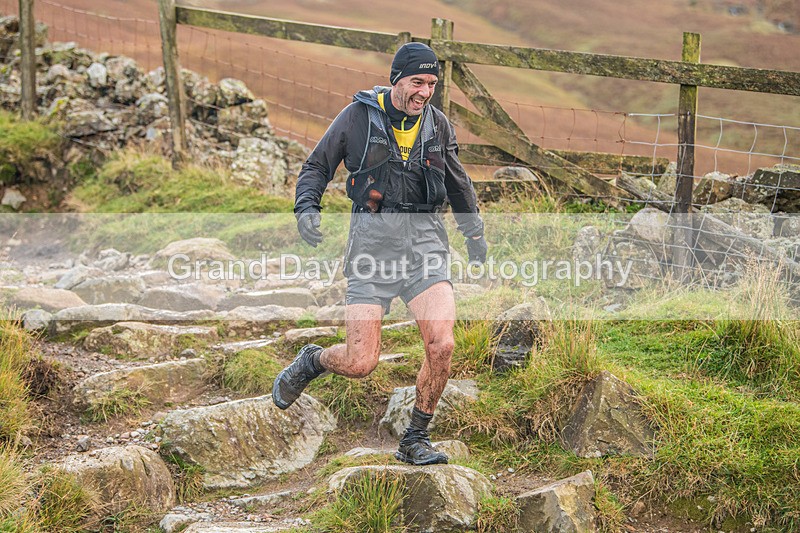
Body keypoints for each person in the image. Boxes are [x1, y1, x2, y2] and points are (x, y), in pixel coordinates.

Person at [272, 42, 487, 466]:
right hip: (371, 248)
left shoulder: (438, 126)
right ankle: (312, 359)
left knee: (441, 344)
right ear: (396, 80)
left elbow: (459, 183)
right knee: (360, 362)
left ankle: (415, 438)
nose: (425, 92)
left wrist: (473, 233)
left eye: (432, 84)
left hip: (424, 244)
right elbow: (317, 165)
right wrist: (306, 208)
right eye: (417, 82)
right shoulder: (357, 118)